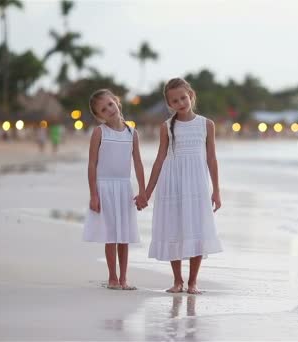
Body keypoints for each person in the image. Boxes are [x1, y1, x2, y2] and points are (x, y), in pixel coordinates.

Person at [146, 78, 223, 294]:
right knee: (175, 228)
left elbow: (212, 159)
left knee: (196, 229)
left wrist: (216, 191)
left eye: (183, 97)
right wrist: (148, 191)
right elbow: (160, 159)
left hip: (196, 185)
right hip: (172, 185)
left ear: (191, 95)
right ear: (169, 104)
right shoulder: (167, 127)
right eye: (174, 101)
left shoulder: (206, 124)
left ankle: (193, 282)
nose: (180, 102)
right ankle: (178, 280)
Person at [83, 89, 148, 290]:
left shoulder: (132, 133)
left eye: (110, 104)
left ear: (116, 102)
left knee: (124, 235)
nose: (108, 110)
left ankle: (124, 278)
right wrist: (93, 194)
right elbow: (92, 164)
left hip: (124, 188)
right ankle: (112, 277)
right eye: (103, 109)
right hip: (105, 188)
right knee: (111, 235)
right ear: (99, 115)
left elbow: (137, 163)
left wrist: (143, 191)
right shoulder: (99, 132)